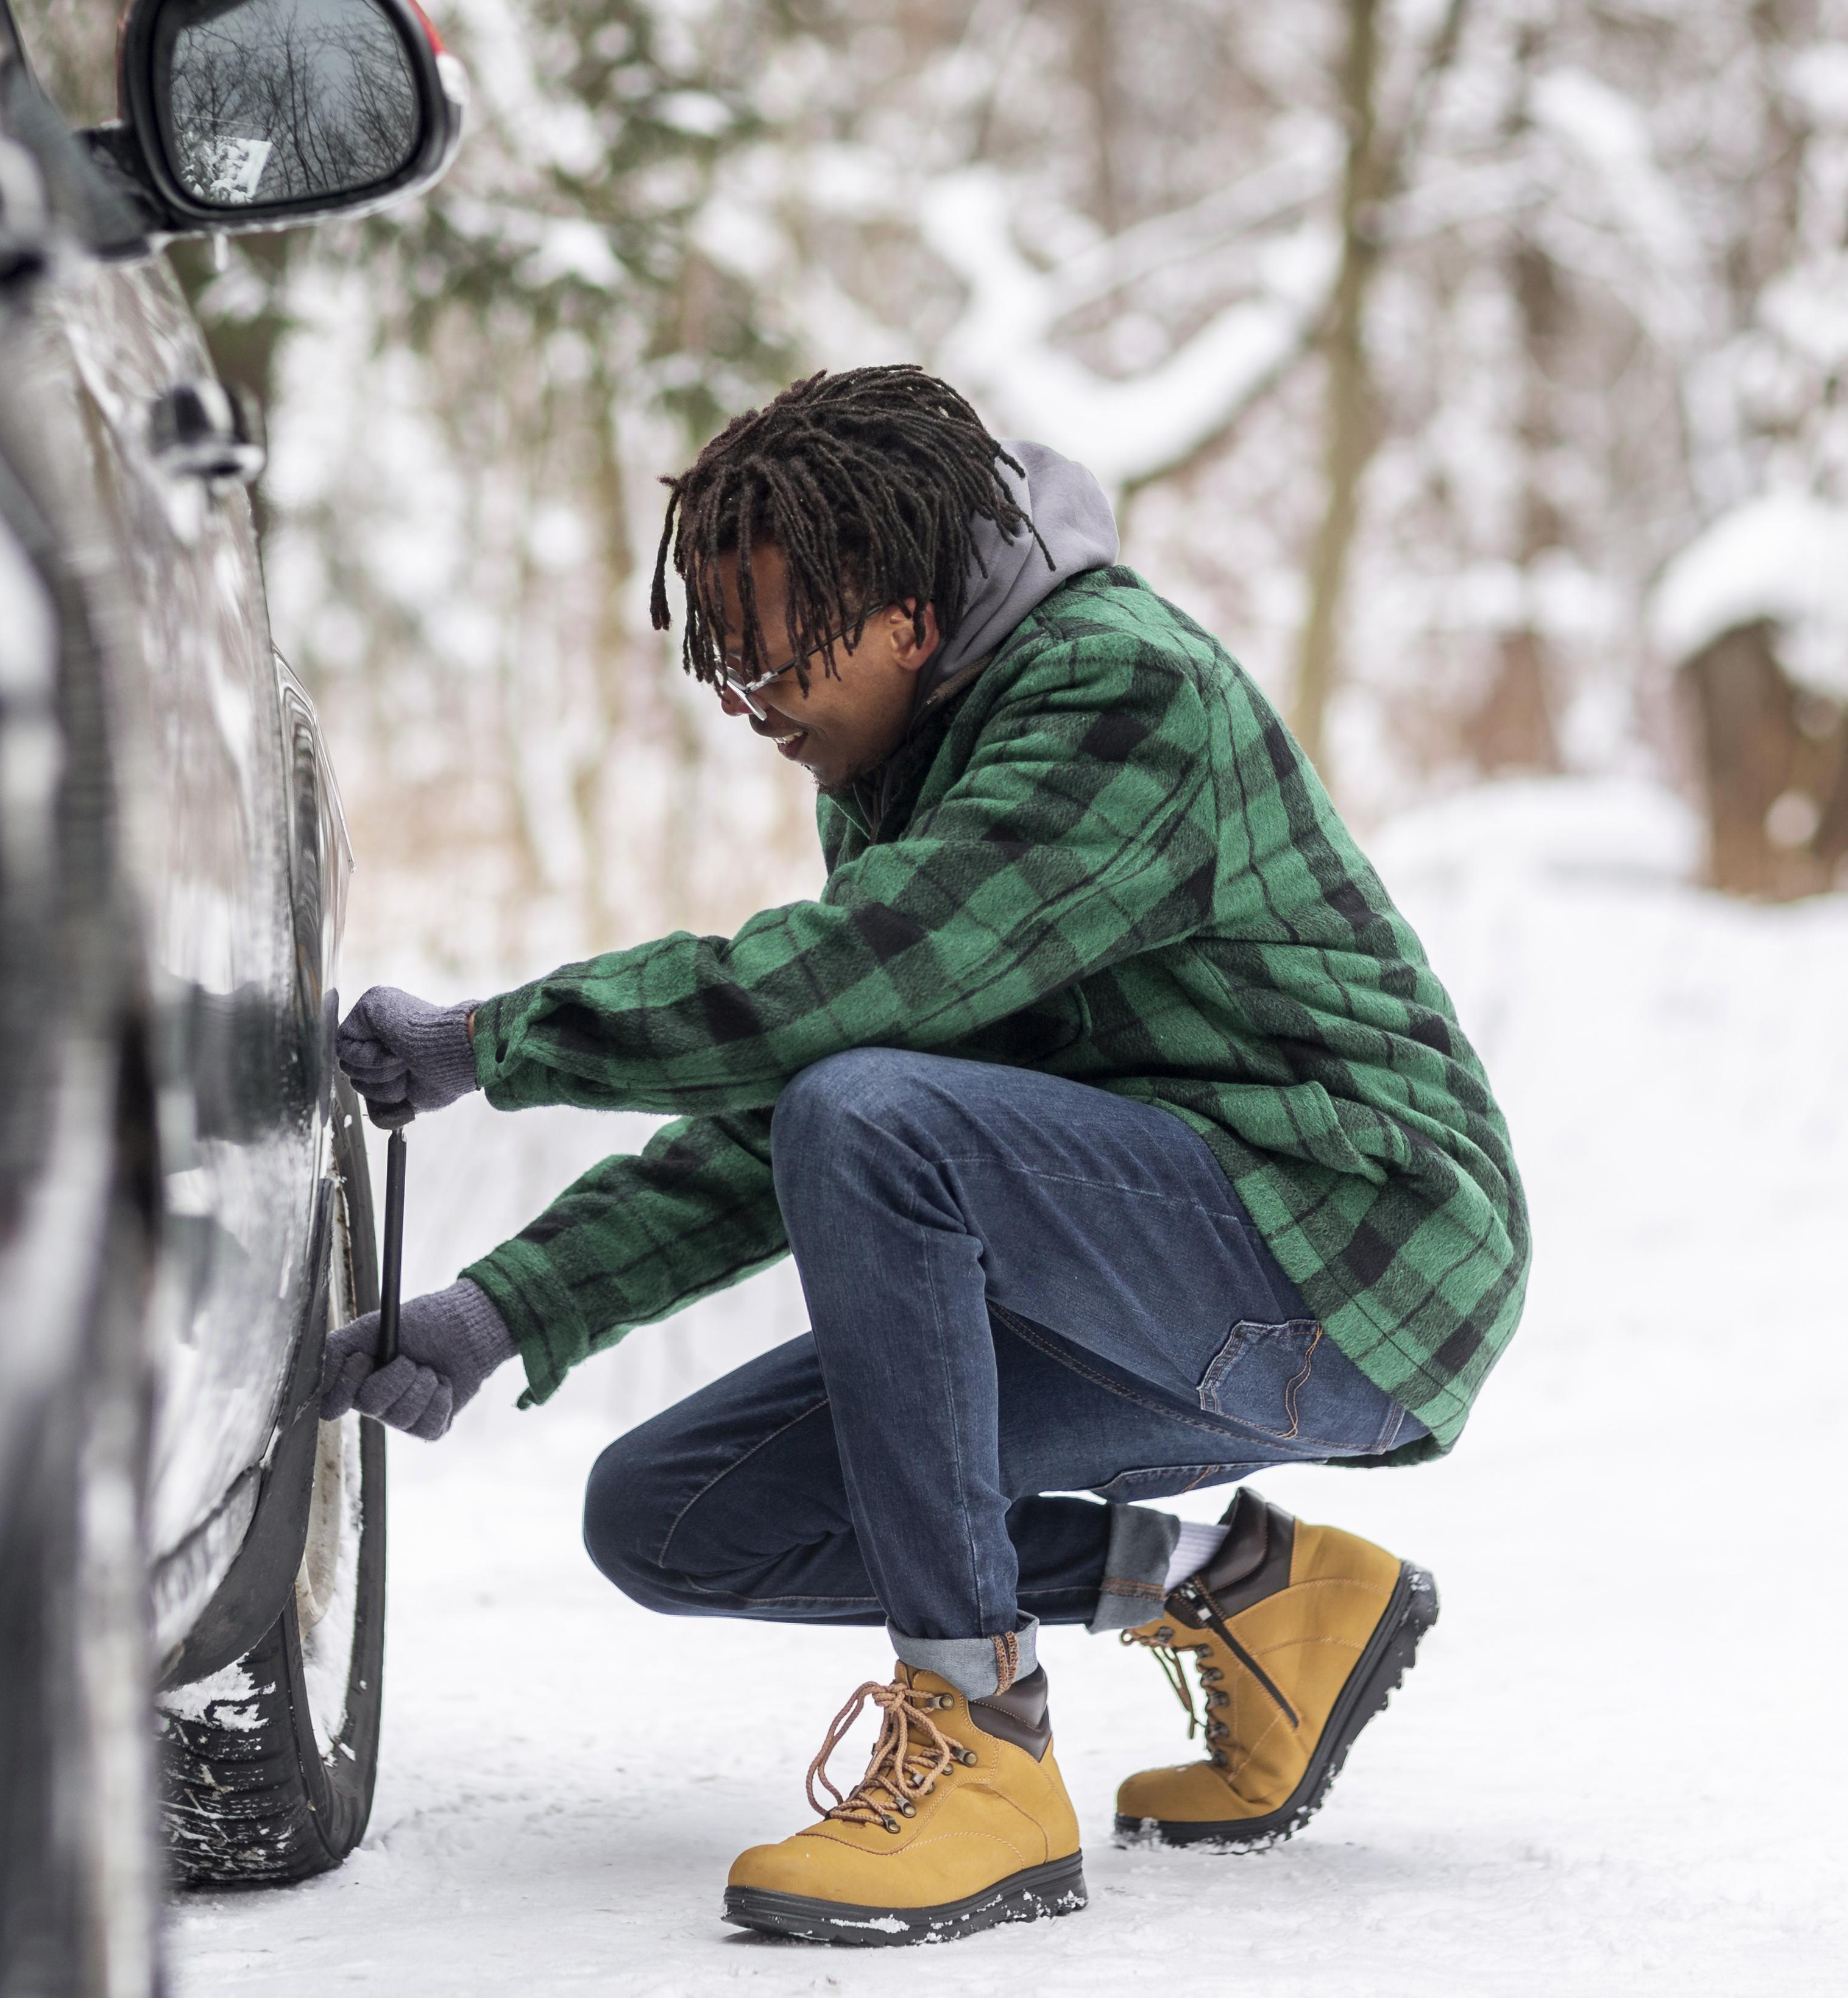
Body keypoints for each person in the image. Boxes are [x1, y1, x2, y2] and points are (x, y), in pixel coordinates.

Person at [324, 366, 1526, 1947]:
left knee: (874, 1113)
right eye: (719, 658)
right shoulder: (906, 771)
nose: (744, 695)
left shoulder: (1117, 698)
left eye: (766, 649)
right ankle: (1249, 1593)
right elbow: (795, 1094)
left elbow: (848, 1019)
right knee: (675, 1511)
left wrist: (497, 1041)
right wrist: (502, 1311)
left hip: (1351, 1251)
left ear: (902, 613)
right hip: (1157, 1277)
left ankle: (981, 1745)